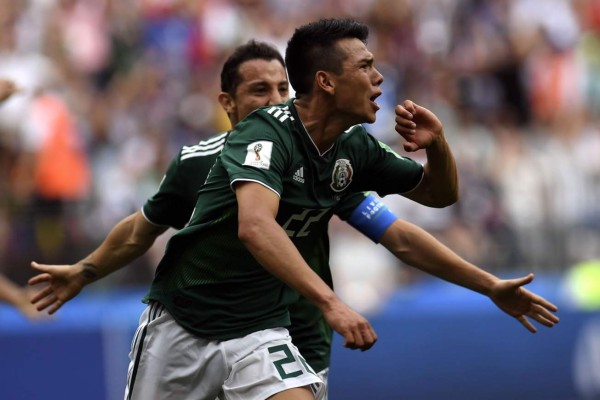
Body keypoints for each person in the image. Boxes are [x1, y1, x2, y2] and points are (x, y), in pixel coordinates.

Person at [29, 20, 558, 400]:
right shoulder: (226, 152)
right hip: (184, 325)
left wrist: (488, 281)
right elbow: (238, 227)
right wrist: (86, 270)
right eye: (367, 67)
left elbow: (412, 223)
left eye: (280, 87)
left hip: (263, 327)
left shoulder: (349, 151)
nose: (379, 78)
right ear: (228, 103)